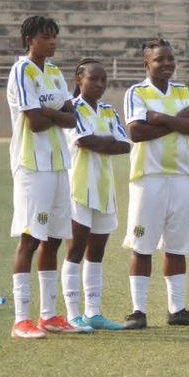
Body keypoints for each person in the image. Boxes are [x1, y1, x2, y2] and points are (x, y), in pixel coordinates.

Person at [122, 39, 189, 329]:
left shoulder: (183, 91)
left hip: (180, 177)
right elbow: (136, 132)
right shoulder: (137, 92)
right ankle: (138, 311)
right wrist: (176, 121)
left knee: (177, 245)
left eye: (171, 59)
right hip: (148, 178)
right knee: (143, 245)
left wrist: (158, 117)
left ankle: (177, 309)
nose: (167, 64)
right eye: (160, 60)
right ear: (147, 63)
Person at [8, 16, 79, 339]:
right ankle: (22, 319)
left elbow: (71, 118)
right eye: (45, 37)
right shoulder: (23, 70)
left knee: (52, 239)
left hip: (58, 164)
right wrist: (54, 114)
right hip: (32, 165)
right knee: (30, 238)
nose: (52, 42)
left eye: (54, 37)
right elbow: (34, 123)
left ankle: (49, 315)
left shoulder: (54, 73)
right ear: (29, 40)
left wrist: (49, 112)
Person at [61, 59, 131, 331]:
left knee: (97, 252)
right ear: (79, 80)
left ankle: (94, 312)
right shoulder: (71, 108)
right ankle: (73, 314)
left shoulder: (108, 111)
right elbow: (83, 140)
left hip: (104, 189)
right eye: (94, 79)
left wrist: (101, 143)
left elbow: (125, 145)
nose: (100, 85)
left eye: (104, 80)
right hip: (79, 188)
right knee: (76, 249)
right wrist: (107, 142)